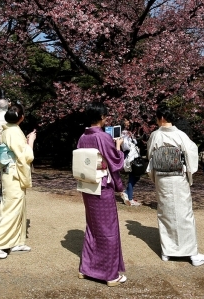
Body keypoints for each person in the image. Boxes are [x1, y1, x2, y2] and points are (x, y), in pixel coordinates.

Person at [147, 105, 204, 267]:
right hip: (178, 177)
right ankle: (191, 254)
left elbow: (150, 155)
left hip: (162, 178)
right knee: (184, 213)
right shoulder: (181, 135)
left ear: (160, 118)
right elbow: (191, 152)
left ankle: (167, 251)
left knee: (165, 212)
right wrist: (189, 171)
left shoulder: (155, 135)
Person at [76, 102, 127, 287]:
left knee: (93, 227)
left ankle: (87, 268)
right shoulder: (103, 137)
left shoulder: (83, 137)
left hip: (87, 186)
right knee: (108, 230)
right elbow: (116, 162)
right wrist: (119, 147)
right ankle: (110, 274)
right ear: (102, 117)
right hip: (102, 187)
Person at [0, 102, 36, 258]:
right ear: (22, 118)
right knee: (11, 209)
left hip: (10, 172)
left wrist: (25, 142)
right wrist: (31, 141)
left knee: (19, 207)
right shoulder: (13, 132)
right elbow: (26, 156)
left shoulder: (8, 129)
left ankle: (16, 241)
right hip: (13, 174)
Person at [120, 119, 142, 207]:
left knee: (136, 175)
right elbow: (125, 146)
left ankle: (126, 193)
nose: (128, 123)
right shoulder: (123, 134)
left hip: (134, 155)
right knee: (133, 176)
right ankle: (129, 198)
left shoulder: (129, 133)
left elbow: (135, 143)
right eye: (125, 122)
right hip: (129, 156)